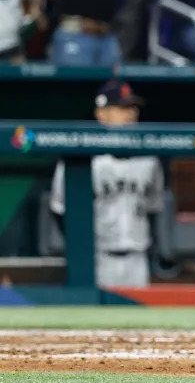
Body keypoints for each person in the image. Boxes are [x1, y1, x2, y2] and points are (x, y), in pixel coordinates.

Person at [50, 81, 165, 288]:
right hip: (97, 257)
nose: (130, 114)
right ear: (101, 114)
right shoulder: (80, 157)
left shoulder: (149, 158)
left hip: (138, 258)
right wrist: (80, 251)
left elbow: (154, 208)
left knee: (139, 320)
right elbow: (60, 210)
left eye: (132, 108)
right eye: (122, 108)